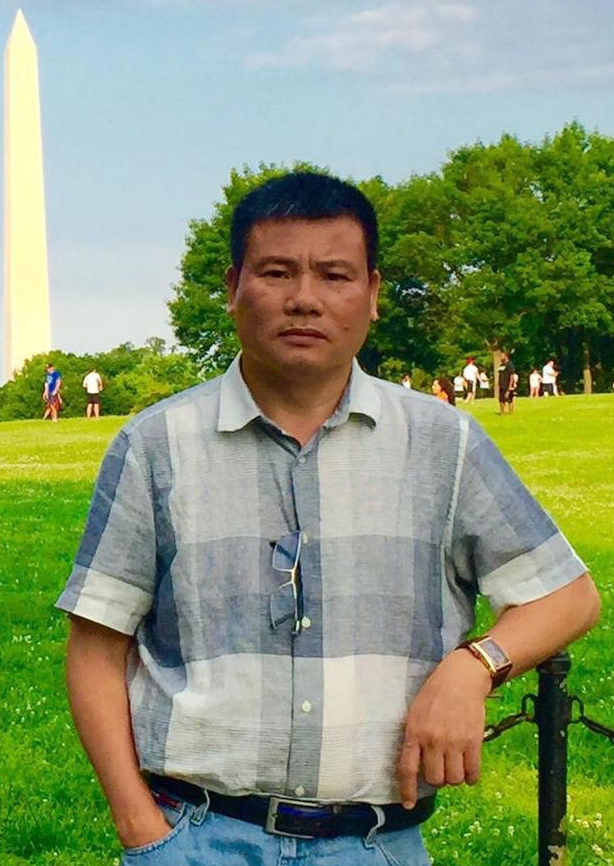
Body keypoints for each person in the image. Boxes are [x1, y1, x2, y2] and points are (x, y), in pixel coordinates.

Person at [55, 172, 599, 866]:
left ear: (371, 294)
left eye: (334, 275)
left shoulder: (442, 443)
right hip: (195, 834)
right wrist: (141, 828)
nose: (304, 298)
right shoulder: (155, 445)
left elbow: (568, 595)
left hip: (375, 844)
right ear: (233, 287)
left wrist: (474, 667)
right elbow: (96, 646)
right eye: (277, 272)